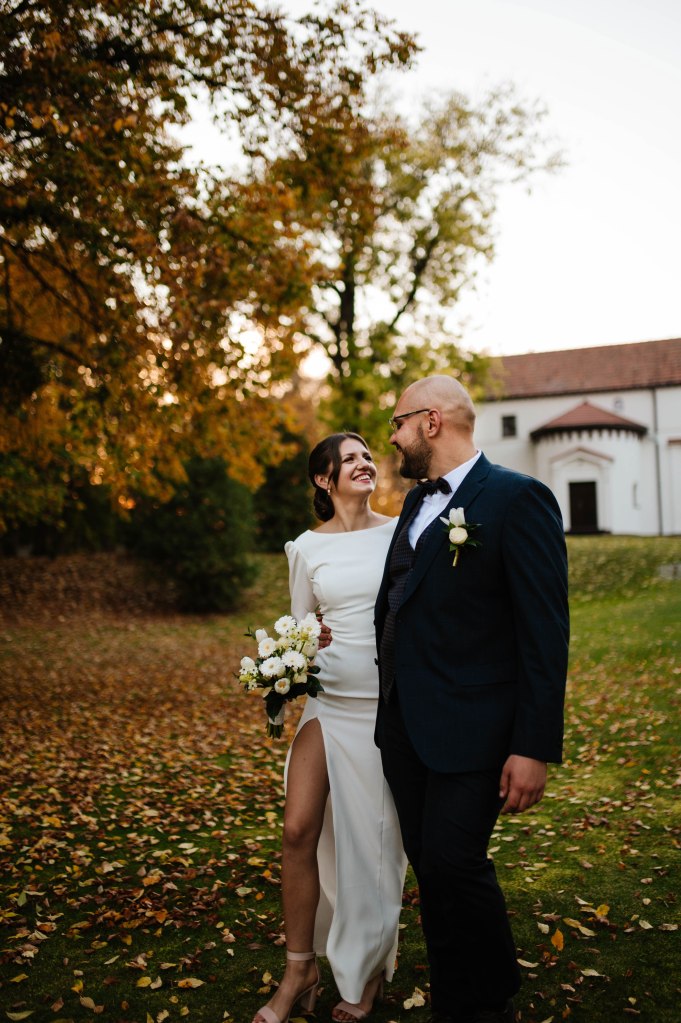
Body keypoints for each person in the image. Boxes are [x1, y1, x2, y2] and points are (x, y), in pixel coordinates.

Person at [374, 376, 569, 1023]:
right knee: (431, 868)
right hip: (403, 727)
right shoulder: (413, 502)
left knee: (455, 862)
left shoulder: (516, 498)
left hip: (477, 728)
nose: (393, 437)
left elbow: (544, 632)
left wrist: (532, 745)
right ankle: (455, 1002)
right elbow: (400, 603)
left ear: (431, 421)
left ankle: (489, 1002)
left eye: (398, 422)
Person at [253, 432, 407, 1023]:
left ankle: (365, 975)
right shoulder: (305, 548)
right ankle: (300, 969)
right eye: (350, 459)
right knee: (297, 830)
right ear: (324, 479)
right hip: (326, 706)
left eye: (367, 456)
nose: (364, 463)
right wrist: (298, 650)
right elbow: (299, 626)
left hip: (379, 707)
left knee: (370, 848)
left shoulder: (399, 534)